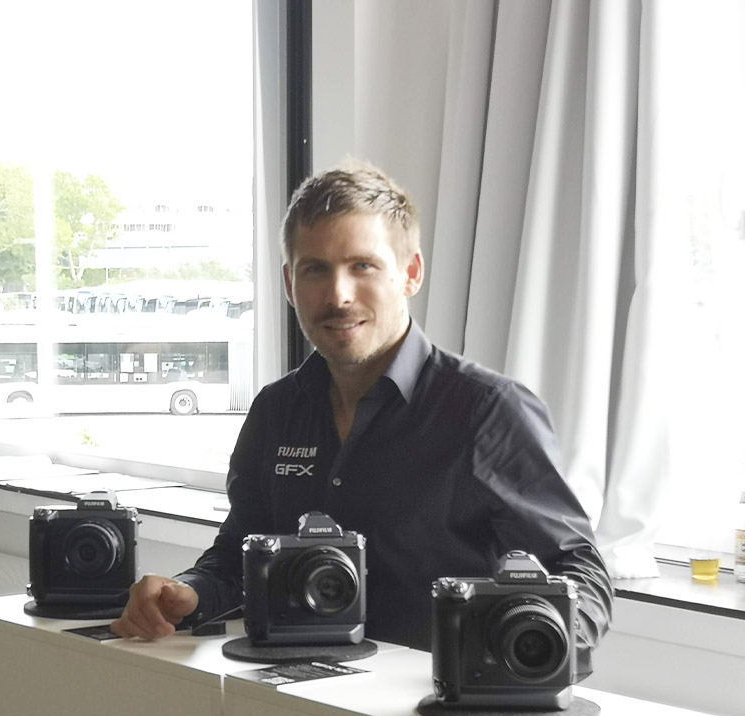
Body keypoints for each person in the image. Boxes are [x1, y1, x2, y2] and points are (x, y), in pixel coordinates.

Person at [110, 160, 612, 678]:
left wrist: (530, 667)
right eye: (315, 269)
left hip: (431, 712)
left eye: (363, 266)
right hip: (292, 697)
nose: (338, 295)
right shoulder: (277, 410)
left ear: (411, 273)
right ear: (289, 282)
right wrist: (188, 593)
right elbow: (242, 551)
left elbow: (579, 571)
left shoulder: (487, 412)